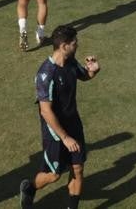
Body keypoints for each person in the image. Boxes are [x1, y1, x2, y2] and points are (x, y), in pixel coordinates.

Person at [19, 25, 100, 209]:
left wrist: (93, 70)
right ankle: (30, 188)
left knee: (78, 169)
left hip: (74, 124)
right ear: (64, 46)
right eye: (74, 43)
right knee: (54, 174)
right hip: (55, 131)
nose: (77, 45)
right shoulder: (46, 74)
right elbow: (45, 111)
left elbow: (84, 75)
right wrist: (65, 137)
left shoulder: (70, 62)